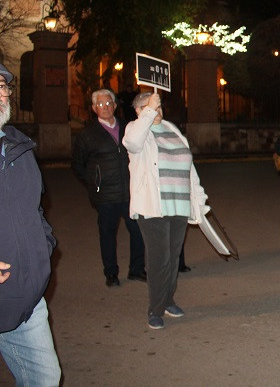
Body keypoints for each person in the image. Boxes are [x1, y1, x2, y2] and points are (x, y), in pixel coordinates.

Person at [123, 91, 210, 330]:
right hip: (152, 207)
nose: (156, 110)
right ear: (139, 111)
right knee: (159, 260)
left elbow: (189, 168)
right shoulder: (136, 130)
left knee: (172, 259)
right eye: (150, 107)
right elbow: (132, 143)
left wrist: (199, 199)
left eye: (158, 106)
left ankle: (168, 299)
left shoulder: (172, 129)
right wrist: (148, 112)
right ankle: (155, 308)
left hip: (179, 206)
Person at [0, 62, 62, 385]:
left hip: (27, 296)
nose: (0, 94)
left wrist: (42, 246)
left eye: (2, 86)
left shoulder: (19, 148)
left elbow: (35, 209)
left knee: (46, 378)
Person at [72, 88, 146, 287]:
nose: (105, 107)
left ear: (115, 105)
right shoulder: (87, 134)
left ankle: (137, 270)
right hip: (105, 195)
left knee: (138, 230)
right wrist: (95, 181)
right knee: (107, 234)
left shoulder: (128, 127)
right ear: (94, 108)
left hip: (130, 191)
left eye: (108, 103)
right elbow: (78, 164)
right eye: (100, 104)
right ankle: (111, 273)